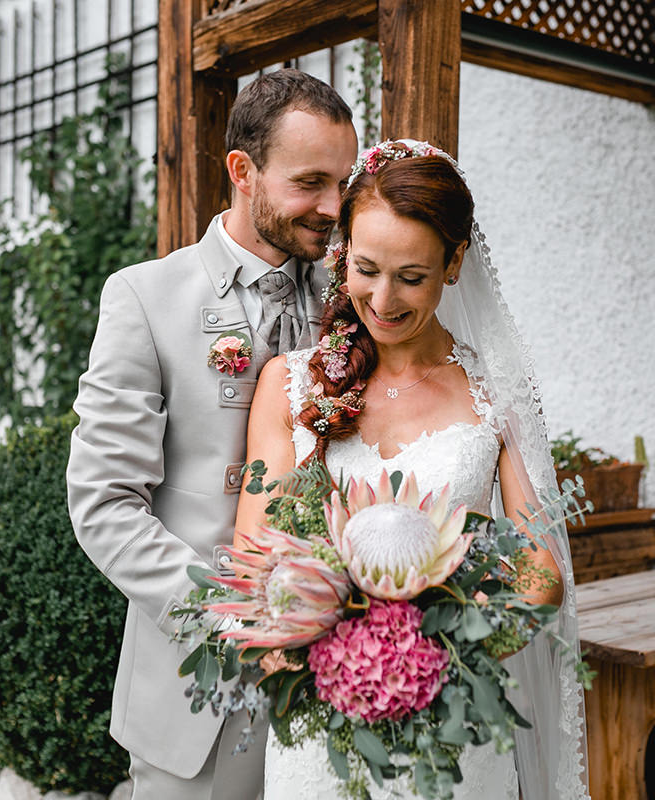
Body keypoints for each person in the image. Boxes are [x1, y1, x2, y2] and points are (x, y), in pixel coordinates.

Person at [235, 141, 591, 799]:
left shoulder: (495, 390)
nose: (383, 298)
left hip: (457, 740)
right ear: (343, 253)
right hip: (325, 742)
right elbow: (258, 561)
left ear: (454, 264)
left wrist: (441, 665)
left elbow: (541, 573)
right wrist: (325, 662)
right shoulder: (290, 386)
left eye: (412, 276)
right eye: (366, 269)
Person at [66, 68, 359, 800]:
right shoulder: (145, 298)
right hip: (197, 692)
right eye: (310, 181)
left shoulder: (354, 296)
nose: (332, 208)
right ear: (242, 170)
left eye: (343, 184)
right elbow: (103, 505)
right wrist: (237, 620)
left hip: (336, 685)